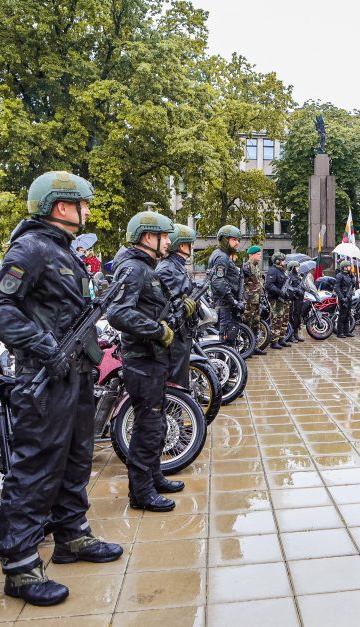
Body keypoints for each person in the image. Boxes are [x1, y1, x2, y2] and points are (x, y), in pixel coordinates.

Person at [0, 171, 122, 606]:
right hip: (43, 378)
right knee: (36, 468)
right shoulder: (32, 248)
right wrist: (43, 344)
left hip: (73, 375)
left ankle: (72, 537)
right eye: (83, 204)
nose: (89, 211)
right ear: (62, 206)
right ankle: (20, 568)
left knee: (76, 459)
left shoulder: (64, 252)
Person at [106, 211, 181, 512]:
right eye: (165, 237)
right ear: (149, 237)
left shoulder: (145, 267)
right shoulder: (134, 269)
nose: (168, 243)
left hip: (152, 358)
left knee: (156, 422)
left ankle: (154, 476)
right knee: (147, 426)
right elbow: (117, 313)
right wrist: (157, 330)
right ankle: (141, 493)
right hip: (142, 360)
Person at [155, 223, 199, 387]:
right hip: (176, 331)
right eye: (190, 243)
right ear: (181, 244)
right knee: (176, 379)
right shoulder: (167, 268)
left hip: (183, 330)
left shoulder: (177, 265)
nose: (191, 247)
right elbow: (171, 301)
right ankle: (176, 410)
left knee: (181, 375)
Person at [207, 225, 243, 347]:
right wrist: (233, 301)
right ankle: (225, 365)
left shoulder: (222, 255)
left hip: (225, 304)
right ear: (225, 239)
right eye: (234, 240)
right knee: (226, 340)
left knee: (228, 338)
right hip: (225, 305)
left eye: (238, 240)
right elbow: (218, 282)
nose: (237, 243)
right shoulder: (221, 257)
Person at [241, 245, 266, 355]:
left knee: (256, 323)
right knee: (247, 323)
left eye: (260, 254)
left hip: (257, 300)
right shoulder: (246, 266)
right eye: (258, 254)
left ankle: (254, 346)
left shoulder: (256, 267)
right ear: (251, 255)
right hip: (249, 301)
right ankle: (246, 347)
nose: (260, 256)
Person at [264, 252, 291, 348]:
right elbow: (268, 285)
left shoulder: (282, 271)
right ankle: (274, 341)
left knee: (284, 320)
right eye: (283, 260)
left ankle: (281, 338)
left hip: (283, 300)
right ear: (277, 261)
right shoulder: (273, 271)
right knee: (277, 320)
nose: (284, 262)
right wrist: (280, 292)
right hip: (276, 299)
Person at [285, 261, 306, 343]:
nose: (298, 268)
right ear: (292, 268)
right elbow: (288, 287)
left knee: (298, 317)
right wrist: (296, 290)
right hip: (294, 299)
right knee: (293, 318)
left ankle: (296, 334)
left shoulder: (297, 276)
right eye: (297, 267)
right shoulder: (289, 276)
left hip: (299, 300)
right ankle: (291, 335)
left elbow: (301, 286)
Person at [335, 260, 355, 337]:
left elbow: (352, 285)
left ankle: (347, 331)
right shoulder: (339, 275)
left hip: (349, 297)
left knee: (348, 314)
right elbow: (336, 288)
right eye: (349, 266)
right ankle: (340, 332)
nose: (350, 267)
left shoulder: (349, 275)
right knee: (342, 315)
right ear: (345, 267)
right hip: (343, 297)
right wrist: (342, 297)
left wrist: (352, 277)